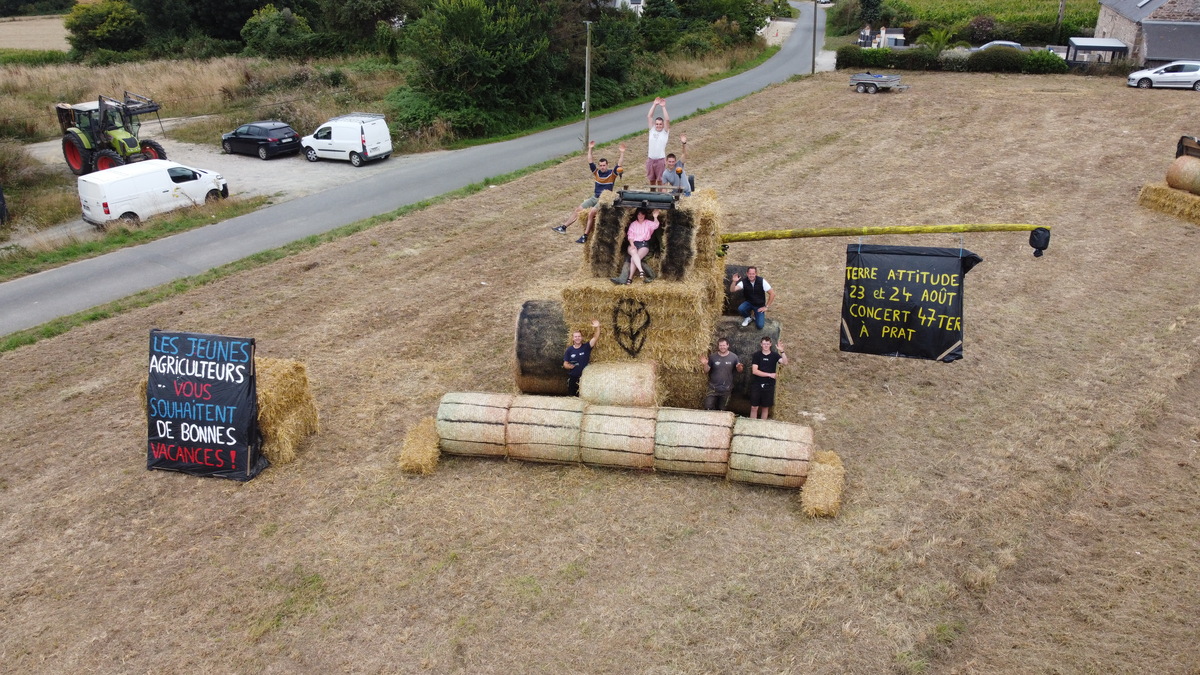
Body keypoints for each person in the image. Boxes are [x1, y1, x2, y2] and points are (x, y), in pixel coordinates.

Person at [554, 141, 626, 244]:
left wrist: (622, 153)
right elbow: (590, 161)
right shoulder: (596, 173)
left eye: (604, 165)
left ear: (607, 165)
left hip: (603, 199)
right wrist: (590, 149)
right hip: (595, 197)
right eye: (600, 165)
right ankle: (563, 227)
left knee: (592, 212)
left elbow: (619, 164)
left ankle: (585, 235)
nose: (602, 167)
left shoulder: (612, 174)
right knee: (578, 209)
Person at [749, 337, 788, 420]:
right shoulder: (757, 355)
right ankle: (751, 426)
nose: (765, 346)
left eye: (767, 344)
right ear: (761, 345)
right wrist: (769, 375)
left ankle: (763, 427)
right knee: (754, 407)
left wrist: (782, 351)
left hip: (769, 385)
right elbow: (755, 371)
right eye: (764, 344)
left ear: (770, 344)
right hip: (757, 384)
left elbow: (785, 362)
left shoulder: (774, 355)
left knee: (765, 408)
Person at [701, 337, 743, 411]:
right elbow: (706, 371)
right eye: (720, 345)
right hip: (713, 388)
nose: (722, 347)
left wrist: (739, 367)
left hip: (726, 389)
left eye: (724, 345)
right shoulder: (713, 357)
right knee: (708, 407)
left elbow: (739, 371)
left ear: (728, 345)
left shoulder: (734, 357)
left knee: (722, 410)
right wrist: (705, 364)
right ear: (718, 346)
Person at [563, 319, 601, 396]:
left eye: (579, 336)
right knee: (572, 398)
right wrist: (568, 366)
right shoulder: (569, 350)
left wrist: (597, 327)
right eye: (575, 337)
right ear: (573, 338)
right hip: (573, 378)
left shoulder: (586, 347)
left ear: (581, 338)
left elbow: (595, 337)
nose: (577, 338)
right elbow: (565, 363)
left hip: (585, 379)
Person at [623, 208, 660, 284]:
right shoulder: (633, 224)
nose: (641, 216)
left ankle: (630, 278)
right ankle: (641, 270)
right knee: (633, 252)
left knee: (634, 258)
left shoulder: (648, 223)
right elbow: (630, 236)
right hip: (634, 243)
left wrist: (655, 217)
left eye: (642, 214)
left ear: (645, 215)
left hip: (644, 244)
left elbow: (656, 225)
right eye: (639, 214)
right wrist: (632, 245)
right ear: (637, 215)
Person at [646, 97, 670, 187]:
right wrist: (654, 105)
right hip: (650, 160)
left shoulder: (664, 132)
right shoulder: (652, 130)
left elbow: (667, 120)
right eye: (657, 124)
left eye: (660, 124)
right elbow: (649, 117)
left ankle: (660, 197)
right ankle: (652, 197)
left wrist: (663, 107)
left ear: (663, 125)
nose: (658, 126)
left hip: (660, 160)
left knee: (660, 181)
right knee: (652, 181)